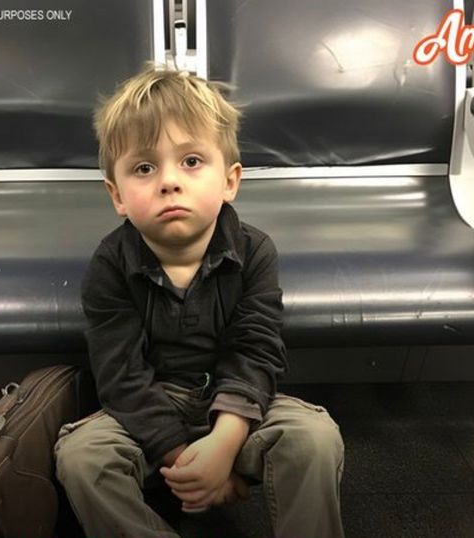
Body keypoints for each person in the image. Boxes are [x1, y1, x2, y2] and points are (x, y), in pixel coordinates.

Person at [54, 65, 345, 538]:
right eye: (144, 168)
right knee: (83, 456)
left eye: (191, 161)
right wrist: (193, 464)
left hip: (239, 403)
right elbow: (122, 377)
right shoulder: (110, 264)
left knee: (313, 439)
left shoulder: (254, 251)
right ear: (117, 195)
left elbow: (257, 350)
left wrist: (226, 445)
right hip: (151, 402)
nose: (169, 181)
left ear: (230, 181)